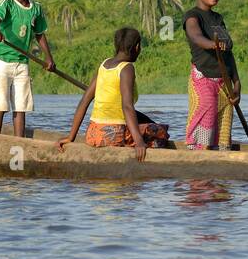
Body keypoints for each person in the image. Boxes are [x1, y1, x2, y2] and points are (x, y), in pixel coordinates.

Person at [57, 28, 169, 161]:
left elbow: (84, 101)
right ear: (137, 47)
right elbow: (127, 106)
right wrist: (139, 141)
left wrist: (71, 136)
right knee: (161, 132)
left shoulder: (104, 64)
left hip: (93, 134)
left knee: (145, 121)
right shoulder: (126, 68)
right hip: (114, 135)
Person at [0, 0, 53, 138]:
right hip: (3, 61)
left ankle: (19, 141)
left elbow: (40, 35)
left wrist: (49, 58)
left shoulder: (36, 8)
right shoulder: (7, 3)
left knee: (21, 105)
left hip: (22, 62)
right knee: (0, 104)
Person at [182, 0, 241, 151]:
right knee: (205, 122)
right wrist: (212, 44)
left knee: (224, 131)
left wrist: (237, 83)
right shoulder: (192, 16)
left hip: (224, 82)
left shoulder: (218, 19)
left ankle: (220, 163)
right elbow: (196, 36)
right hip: (203, 79)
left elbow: (228, 54)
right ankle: (197, 154)